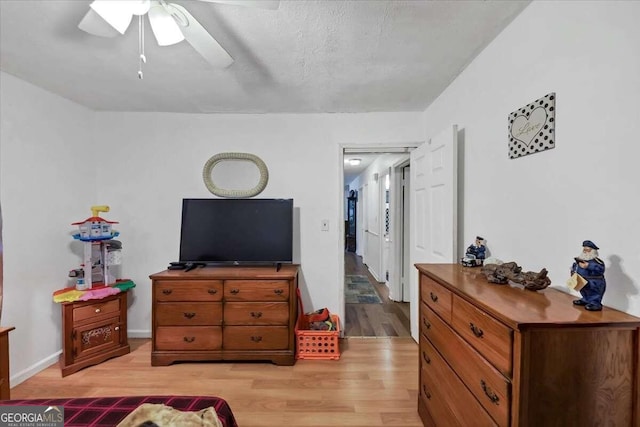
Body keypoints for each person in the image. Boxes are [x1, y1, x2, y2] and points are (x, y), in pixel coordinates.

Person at [571, 240, 606, 311]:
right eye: (584, 250)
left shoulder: (597, 262)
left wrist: (588, 266)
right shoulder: (581, 260)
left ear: (592, 251)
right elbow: (576, 267)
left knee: (594, 293)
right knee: (584, 291)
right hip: (582, 281)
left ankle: (595, 303)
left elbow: (600, 269)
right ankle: (586, 300)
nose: (585, 252)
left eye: (587, 250)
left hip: (594, 282)